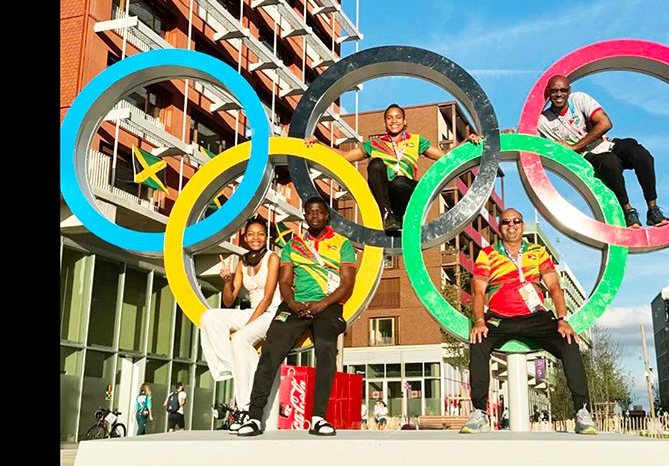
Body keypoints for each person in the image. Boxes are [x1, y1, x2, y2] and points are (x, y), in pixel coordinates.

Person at [460, 208, 597, 435]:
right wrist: (479, 321)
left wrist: (562, 319)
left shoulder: (538, 252)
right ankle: (479, 412)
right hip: (500, 318)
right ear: (499, 227)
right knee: (478, 342)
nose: (511, 225)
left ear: (522, 226)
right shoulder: (487, 254)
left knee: (569, 342)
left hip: (535, 317)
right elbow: (478, 292)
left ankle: (582, 412)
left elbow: (554, 287)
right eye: (506, 222)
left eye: (516, 221)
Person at [237, 197, 356, 437]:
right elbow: (284, 281)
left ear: (327, 216)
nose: (314, 216)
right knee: (271, 349)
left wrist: (322, 304)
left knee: (325, 349)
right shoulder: (293, 245)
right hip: (295, 305)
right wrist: (292, 303)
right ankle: (253, 417)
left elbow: (347, 284)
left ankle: (318, 418)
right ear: (304, 216)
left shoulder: (343, 245)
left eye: (319, 212)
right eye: (310, 212)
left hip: (328, 306)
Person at [305, 103, 481, 233]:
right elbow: (345, 157)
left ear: (404, 122)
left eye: (398, 117)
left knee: (399, 182)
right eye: (389, 118)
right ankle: (388, 215)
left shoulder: (416, 140)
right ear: (385, 123)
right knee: (375, 164)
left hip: (406, 190)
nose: (393, 121)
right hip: (385, 196)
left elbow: (444, 156)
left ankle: (397, 215)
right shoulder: (374, 143)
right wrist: (319, 143)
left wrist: (466, 142)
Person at [537, 75, 669, 229]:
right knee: (609, 163)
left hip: (606, 143)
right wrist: (507, 134)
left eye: (563, 90)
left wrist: (575, 146)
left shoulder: (579, 99)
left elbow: (605, 123)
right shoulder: (543, 121)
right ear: (548, 92)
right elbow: (527, 138)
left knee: (641, 154)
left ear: (569, 91)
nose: (559, 94)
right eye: (554, 91)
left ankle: (653, 209)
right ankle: (628, 211)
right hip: (589, 157)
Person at [200, 217, 282, 432]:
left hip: (271, 312)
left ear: (266, 237)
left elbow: (268, 297)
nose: (256, 238)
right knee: (208, 317)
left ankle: (245, 408)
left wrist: (247, 327)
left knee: (239, 339)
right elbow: (229, 300)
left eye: (260, 234)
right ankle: (234, 366)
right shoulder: (242, 262)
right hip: (252, 311)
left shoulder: (273, 258)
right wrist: (227, 281)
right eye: (251, 234)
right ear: (244, 238)